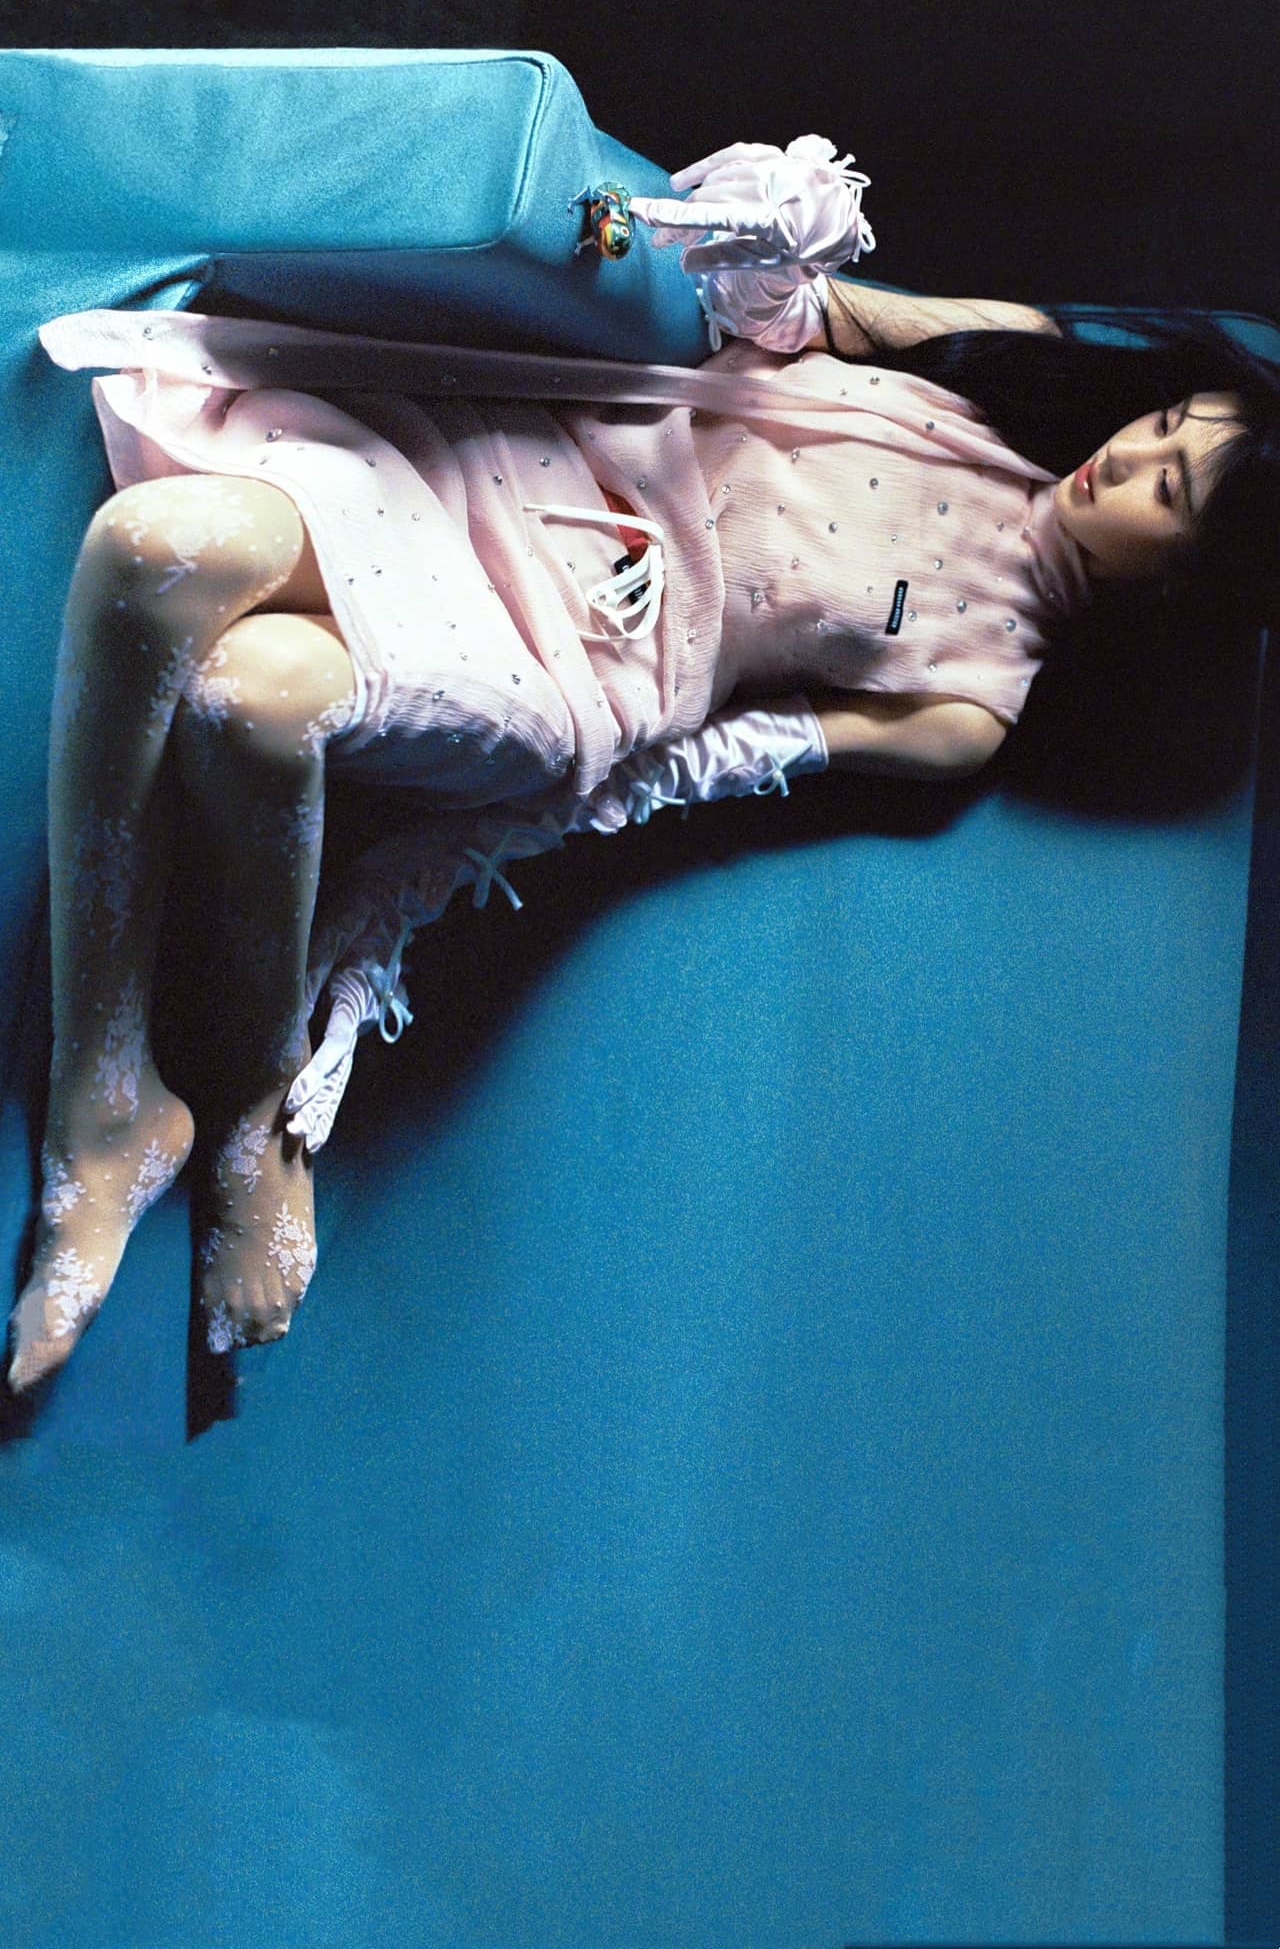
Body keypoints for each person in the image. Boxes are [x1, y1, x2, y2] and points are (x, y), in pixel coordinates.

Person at [7, 135, 1278, 1392]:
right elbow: (786, 308)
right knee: (150, 544)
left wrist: (370, 933)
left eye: (1165, 491)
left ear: (1176, 588)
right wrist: (774, 233)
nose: (1126, 457)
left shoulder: (970, 702)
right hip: (516, 474)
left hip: (572, 664)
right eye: (1162, 423)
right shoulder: (1002, 368)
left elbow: (675, 776)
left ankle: (240, 1104)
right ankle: (104, 1096)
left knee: (252, 698)